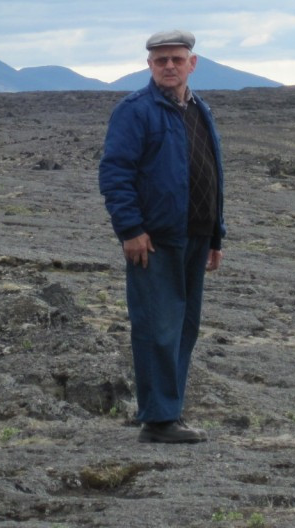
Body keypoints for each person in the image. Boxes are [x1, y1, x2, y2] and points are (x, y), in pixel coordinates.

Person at [99, 30, 225, 443]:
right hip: (156, 239)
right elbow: (115, 173)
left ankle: (165, 409)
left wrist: (215, 235)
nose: (169, 66)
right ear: (149, 65)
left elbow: (212, 172)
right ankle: (158, 420)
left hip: (195, 235)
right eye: (160, 60)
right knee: (157, 326)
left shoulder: (199, 109)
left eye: (176, 59)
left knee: (184, 327)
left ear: (193, 63)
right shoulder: (135, 110)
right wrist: (131, 229)